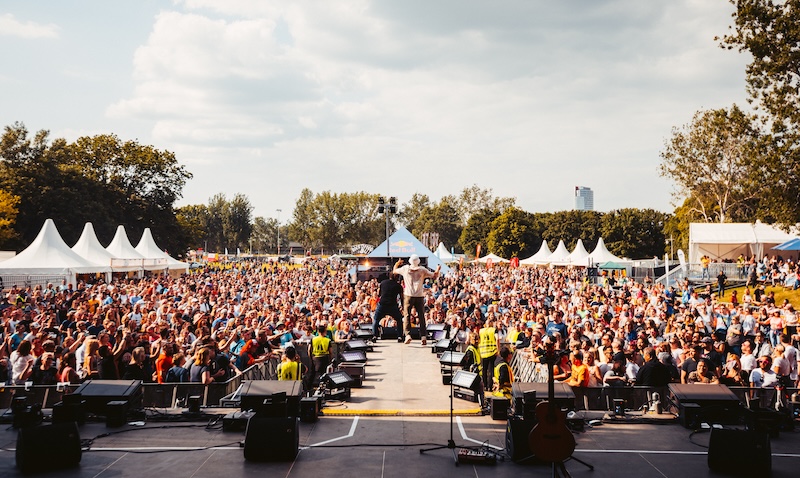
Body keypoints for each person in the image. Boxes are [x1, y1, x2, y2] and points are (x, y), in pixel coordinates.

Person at [393, 254, 440, 345]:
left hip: (408, 294)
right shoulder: (422, 270)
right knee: (421, 316)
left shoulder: (405, 268)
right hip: (419, 295)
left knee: (407, 315)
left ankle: (407, 335)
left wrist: (397, 263)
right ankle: (423, 336)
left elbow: (394, 271)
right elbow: (434, 276)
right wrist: (438, 269)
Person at [373, 273, 403, 339]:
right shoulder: (398, 286)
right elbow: (401, 297)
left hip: (382, 304)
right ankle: (400, 336)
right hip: (392, 305)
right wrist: (403, 306)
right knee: (399, 319)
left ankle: (375, 335)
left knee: (376, 319)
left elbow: (379, 294)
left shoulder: (383, 283)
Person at [478, 317, 500, 393]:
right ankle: (490, 387)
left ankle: (484, 386)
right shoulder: (494, 330)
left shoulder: (481, 331)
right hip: (492, 352)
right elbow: (497, 339)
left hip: (483, 353)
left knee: (484, 370)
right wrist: (498, 350)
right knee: (491, 370)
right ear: (491, 323)